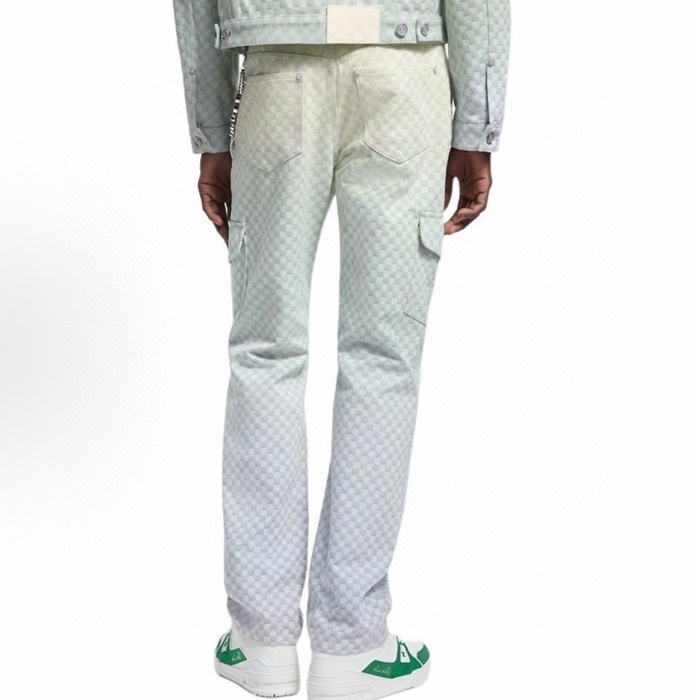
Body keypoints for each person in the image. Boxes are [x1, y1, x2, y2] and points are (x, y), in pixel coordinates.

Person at [172, 2, 510, 698]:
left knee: (266, 353)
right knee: (382, 359)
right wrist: (476, 124)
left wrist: (211, 127)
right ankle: (351, 641)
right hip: (403, 75)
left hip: (277, 75)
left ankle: (261, 637)